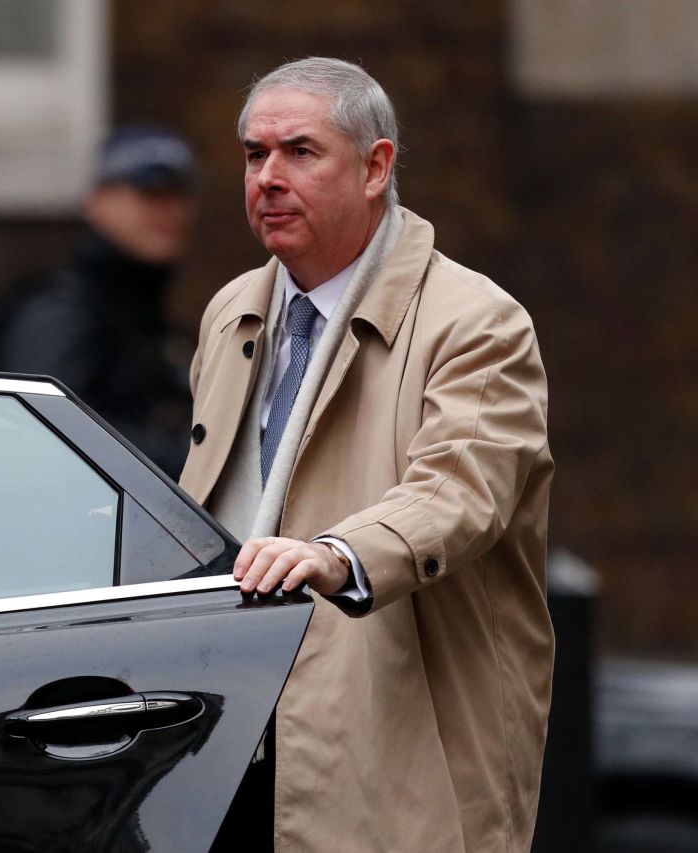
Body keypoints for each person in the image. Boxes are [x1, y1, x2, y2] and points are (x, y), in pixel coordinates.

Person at [180, 58, 554, 851]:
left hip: (396, 749)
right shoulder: (231, 313)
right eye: (255, 155)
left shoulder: (478, 322)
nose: (269, 177)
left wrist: (334, 554)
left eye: (300, 152)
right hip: (227, 743)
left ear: (376, 166)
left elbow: (459, 494)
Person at [0, 125, 196, 478]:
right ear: (98, 203)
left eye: (176, 195)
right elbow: (47, 431)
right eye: (148, 194)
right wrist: (185, 461)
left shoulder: (146, 312)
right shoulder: (63, 312)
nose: (167, 210)